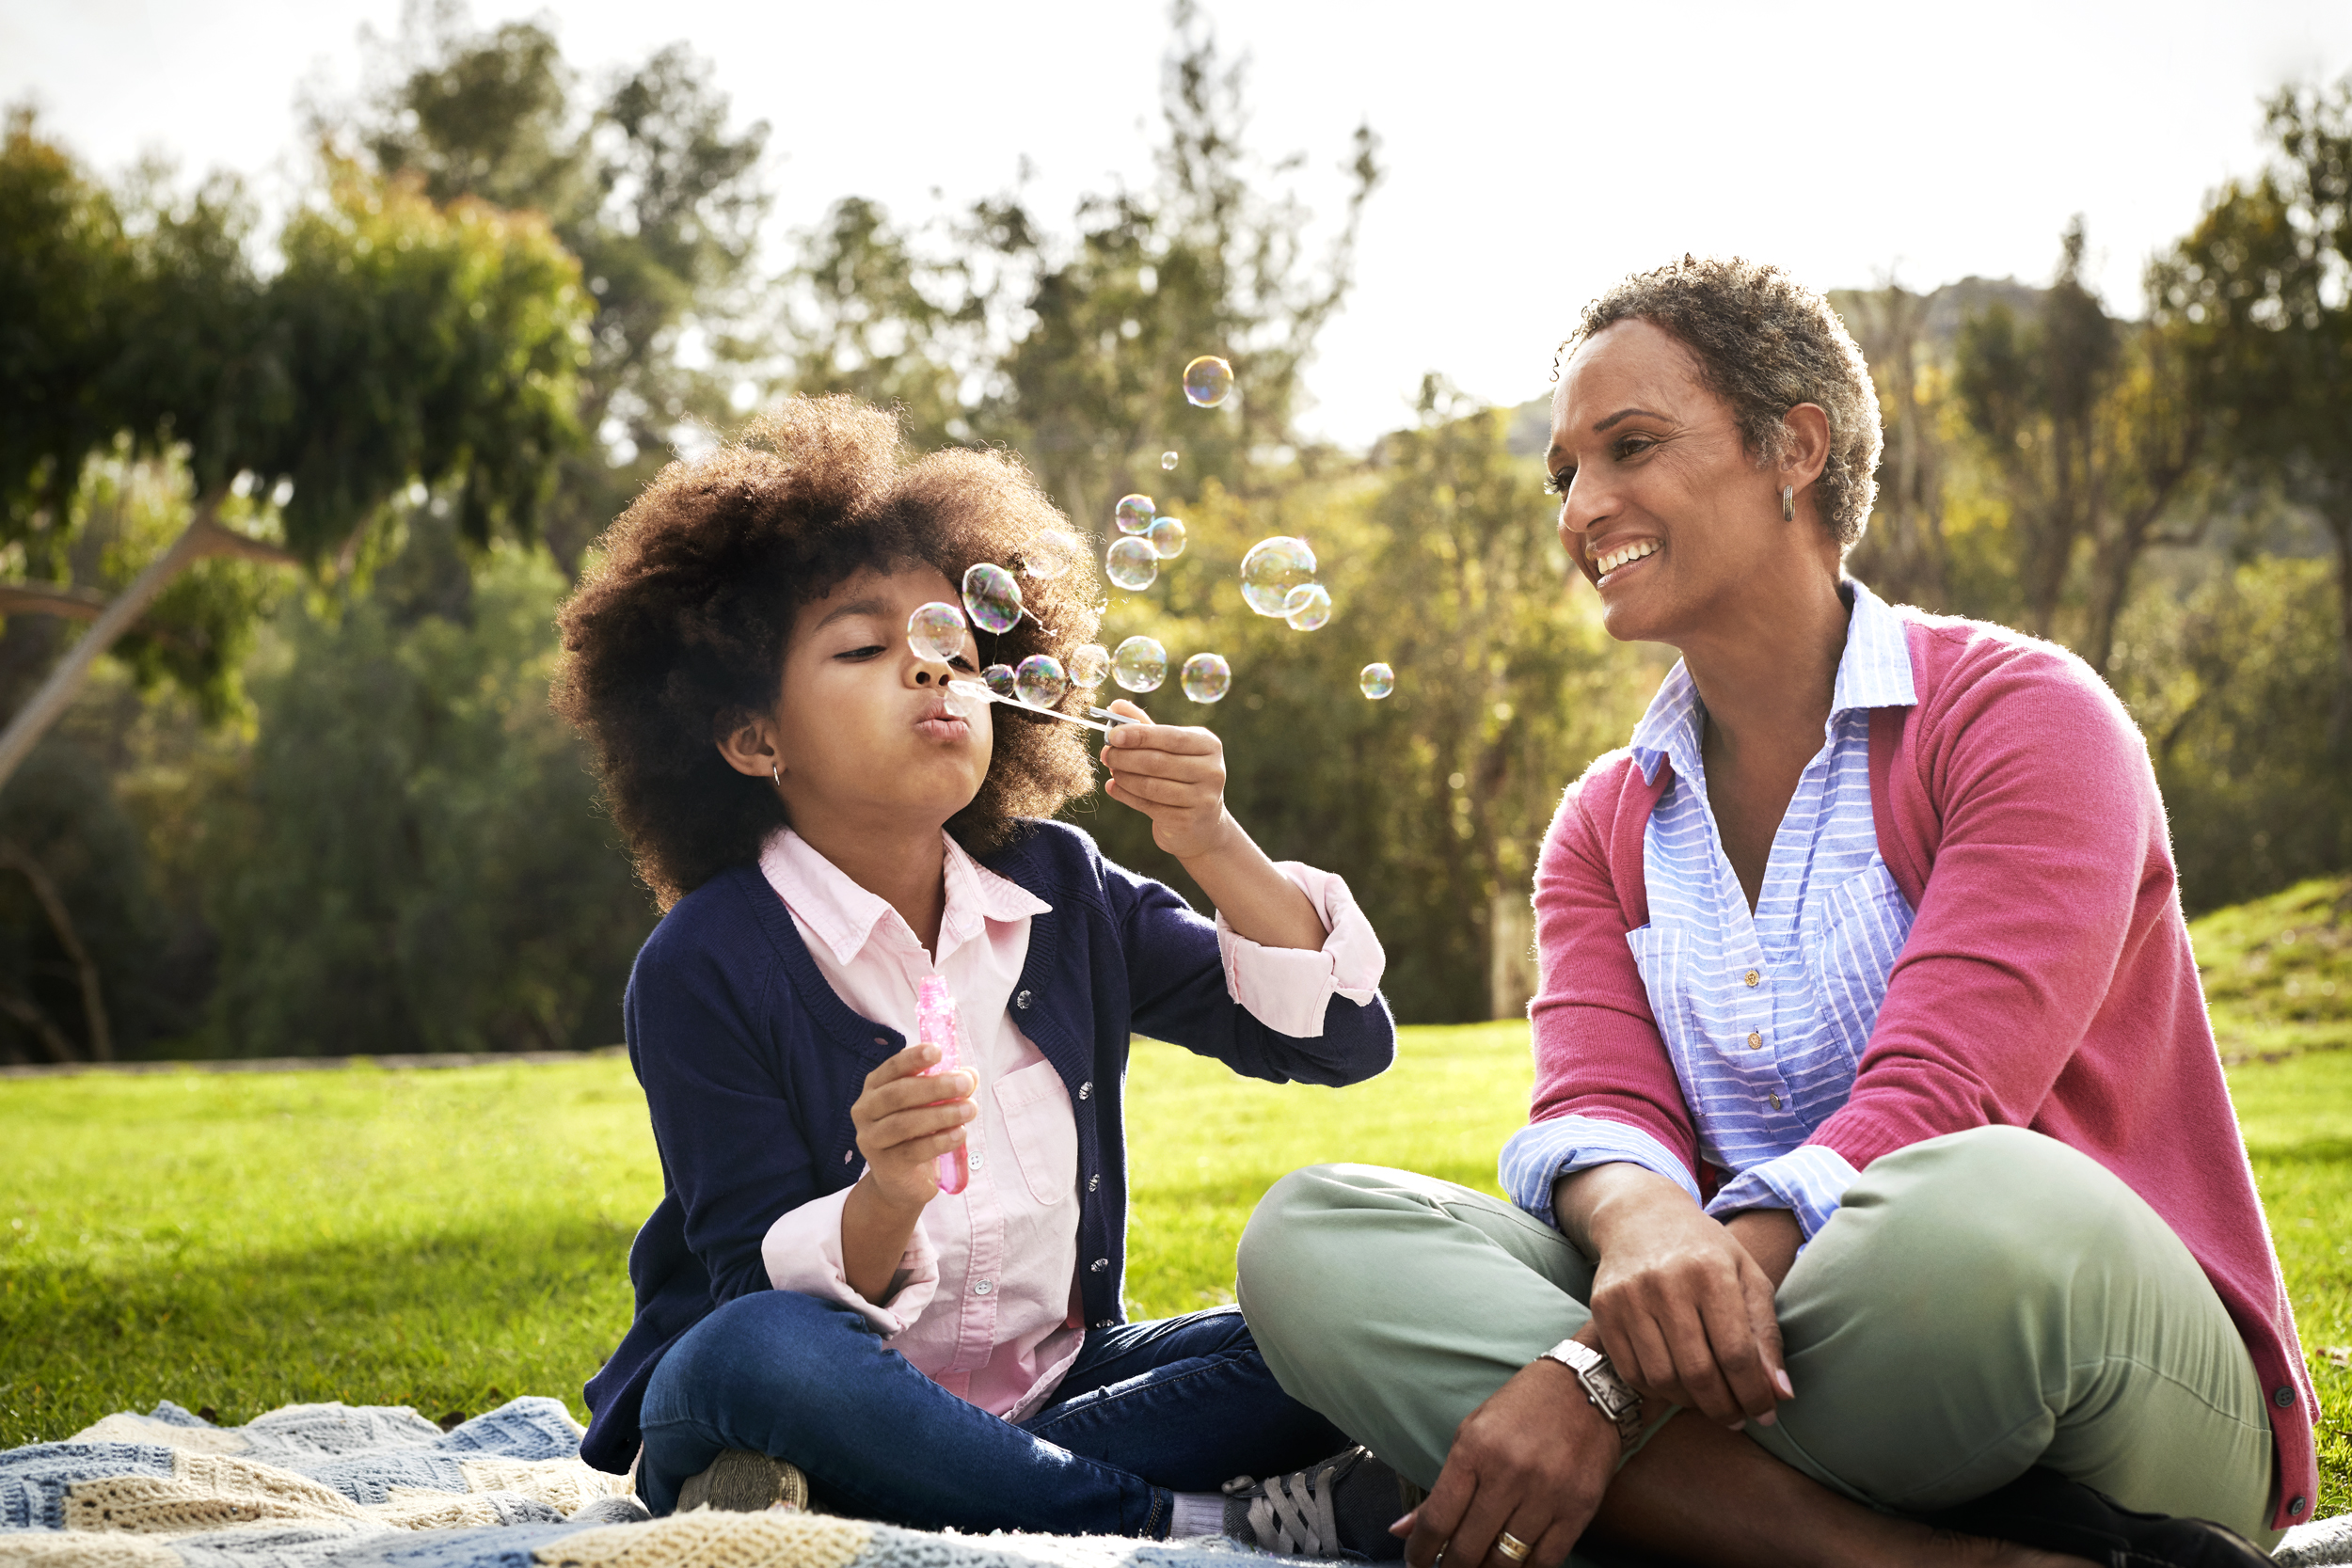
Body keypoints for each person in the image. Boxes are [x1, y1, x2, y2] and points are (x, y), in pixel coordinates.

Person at [1233, 257, 2316, 1568]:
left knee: (1974, 1210)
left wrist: (1589, 1376)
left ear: (1793, 446)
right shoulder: (1600, 825)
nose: (1583, 505)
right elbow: (1599, 1108)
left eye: (1630, 445)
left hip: (2063, 1349)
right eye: (1564, 470)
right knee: (1313, 1233)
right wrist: (1643, 1228)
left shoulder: (2026, 718)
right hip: (1749, 1362)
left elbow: (1939, 1097)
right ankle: (1903, 1555)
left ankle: (1627, 1499)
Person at [552, 395, 1397, 1539]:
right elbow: (757, 1294)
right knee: (759, 1357)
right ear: (756, 739)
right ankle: (1187, 1525)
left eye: (954, 644)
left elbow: (1333, 1039)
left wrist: (1214, 844)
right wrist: (885, 1192)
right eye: (863, 647)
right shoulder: (705, 962)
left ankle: (914, 1490)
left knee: (1352, 1307)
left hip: (1057, 1386)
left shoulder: (1061, 884)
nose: (931, 671)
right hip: (796, 1379)